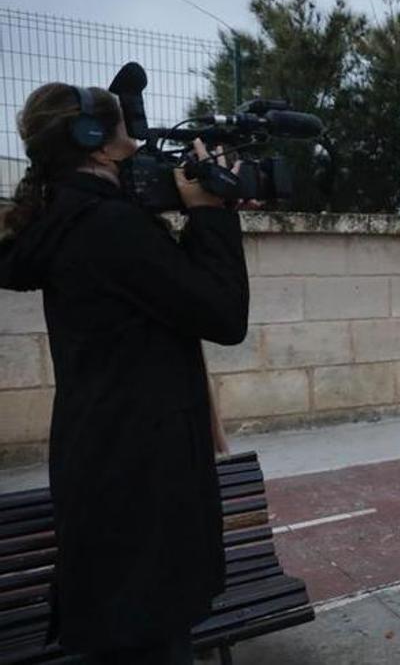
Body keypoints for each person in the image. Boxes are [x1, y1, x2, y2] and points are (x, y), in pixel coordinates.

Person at [0, 83, 249, 663]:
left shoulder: (76, 219)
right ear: (98, 144)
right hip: (140, 482)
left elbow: (163, 295)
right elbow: (222, 313)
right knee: (148, 637)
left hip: (110, 467)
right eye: (126, 134)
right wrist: (210, 214)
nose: (137, 144)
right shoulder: (105, 227)